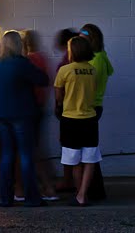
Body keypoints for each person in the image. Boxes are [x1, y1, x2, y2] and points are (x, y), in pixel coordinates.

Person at [0, 30, 49, 208]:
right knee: (25, 155)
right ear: (18, 45)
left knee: (7, 155)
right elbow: (42, 79)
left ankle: (5, 197)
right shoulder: (22, 63)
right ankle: (31, 197)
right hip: (21, 114)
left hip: (0, 115)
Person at [55, 36, 101, 207]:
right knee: (89, 158)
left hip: (70, 120)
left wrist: (61, 104)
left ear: (72, 51)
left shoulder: (64, 70)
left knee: (74, 161)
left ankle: (78, 194)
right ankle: (83, 193)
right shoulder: (93, 70)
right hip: (90, 119)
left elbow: (59, 97)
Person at [18, 30, 58, 201]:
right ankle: (47, 185)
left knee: (32, 150)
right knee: (37, 148)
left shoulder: (30, 60)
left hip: (30, 108)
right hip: (40, 107)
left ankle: (46, 187)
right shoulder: (42, 57)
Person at [82, 23, 113, 203]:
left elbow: (91, 84)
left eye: (84, 35)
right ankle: (93, 189)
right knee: (88, 150)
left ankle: (95, 190)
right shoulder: (97, 58)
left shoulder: (98, 59)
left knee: (89, 151)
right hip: (91, 106)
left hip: (92, 106)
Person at [54, 27, 79, 193]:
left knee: (68, 147)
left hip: (67, 110)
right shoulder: (86, 66)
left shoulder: (65, 64)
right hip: (82, 110)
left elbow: (59, 91)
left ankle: (69, 180)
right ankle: (76, 182)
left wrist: (58, 105)